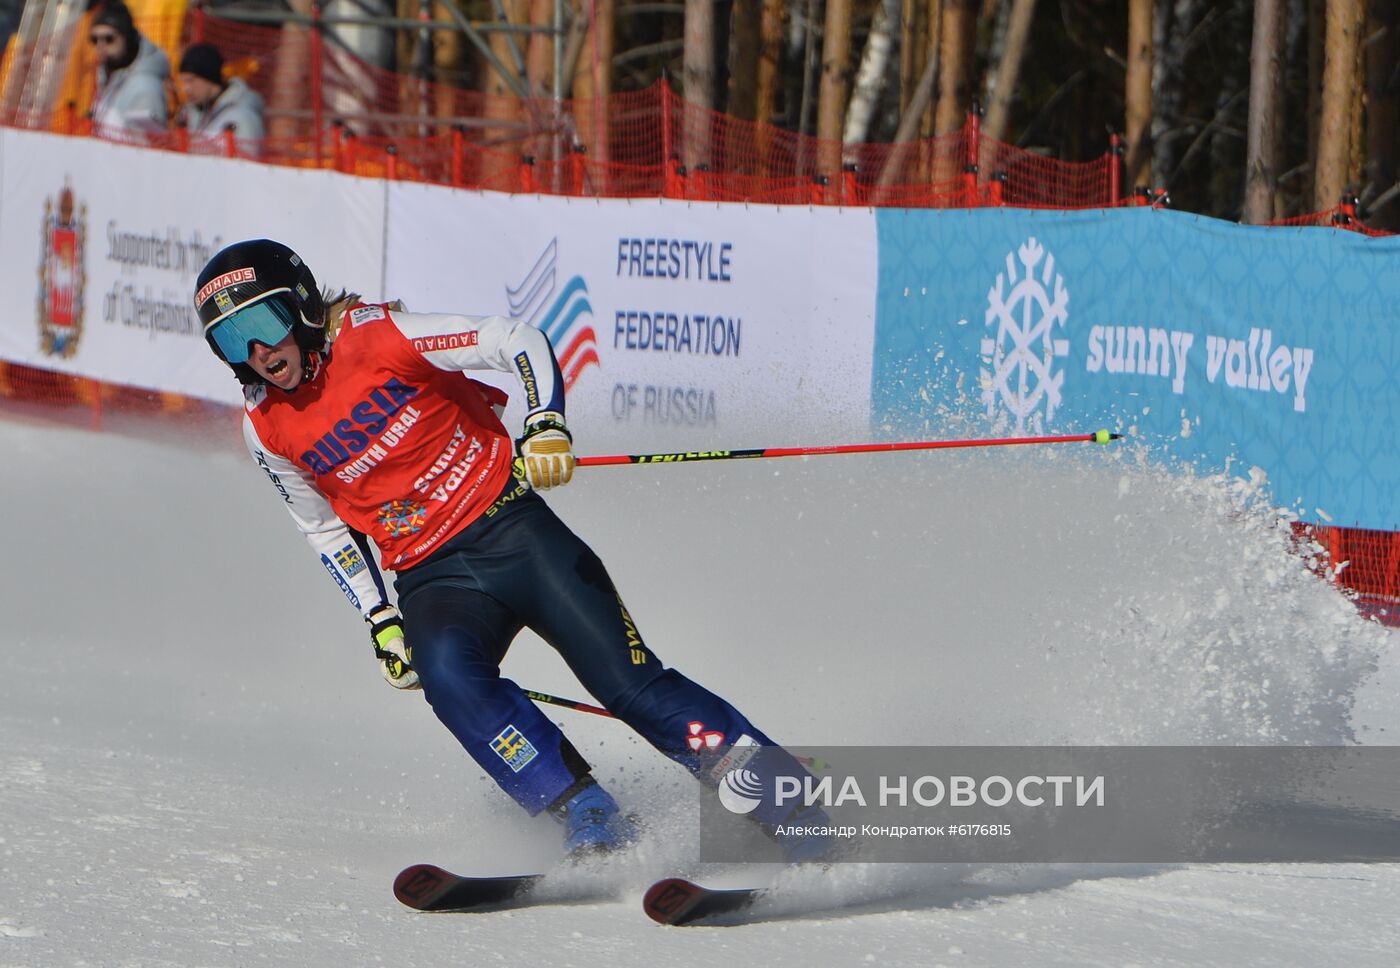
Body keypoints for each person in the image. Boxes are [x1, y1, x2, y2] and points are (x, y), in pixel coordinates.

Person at [193, 239, 832, 862]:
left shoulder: (380, 337)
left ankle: (788, 802)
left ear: (301, 305)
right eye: (230, 340)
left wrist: (546, 423)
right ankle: (584, 809)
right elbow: (324, 529)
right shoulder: (265, 425)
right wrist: (380, 618)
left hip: (513, 530)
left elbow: (516, 339)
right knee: (450, 683)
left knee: (628, 685)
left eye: (263, 322)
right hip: (431, 575)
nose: (257, 351)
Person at [87, 0, 169, 138]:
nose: (100, 46)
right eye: (94, 39)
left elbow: (146, 149)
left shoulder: (144, 87)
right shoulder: (110, 78)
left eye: (109, 39)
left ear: (126, 38)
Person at [174, 43, 266, 157]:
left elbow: (247, 166)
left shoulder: (242, 117)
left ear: (209, 77)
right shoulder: (194, 114)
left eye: (191, 81)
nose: (186, 88)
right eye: (184, 82)